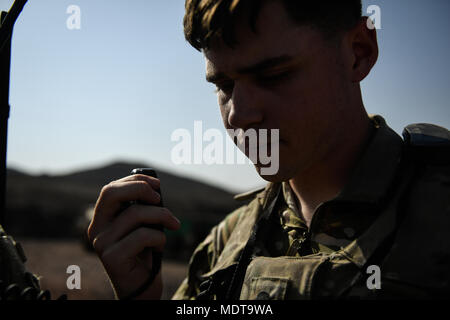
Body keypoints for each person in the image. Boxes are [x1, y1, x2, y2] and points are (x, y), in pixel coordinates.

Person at [87, 0, 450, 300]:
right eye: (224, 85)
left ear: (358, 53)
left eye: (274, 76)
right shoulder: (230, 240)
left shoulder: (438, 210)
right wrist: (140, 295)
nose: (240, 115)